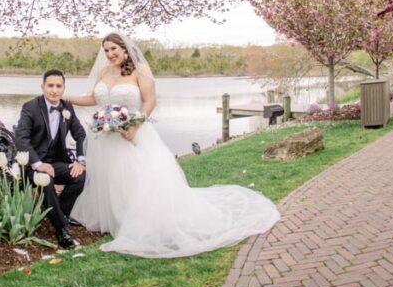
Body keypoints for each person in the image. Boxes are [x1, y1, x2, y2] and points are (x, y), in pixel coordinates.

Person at [68, 32, 280, 258]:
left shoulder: (140, 70)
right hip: (106, 138)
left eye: (114, 49)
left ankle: (139, 222)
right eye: (106, 50)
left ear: (125, 49)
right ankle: (114, 219)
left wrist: (134, 125)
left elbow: (150, 102)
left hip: (134, 134)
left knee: (138, 179)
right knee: (111, 179)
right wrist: (65, 98)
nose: (110, 54)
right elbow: (94, 99)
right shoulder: (104, 72)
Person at [14, 68, 87, 249]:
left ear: (63, 88)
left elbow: (80, 134)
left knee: (79, 177)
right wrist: (38, 164)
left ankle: (59, 215)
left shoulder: (66, 107)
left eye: (58, 86)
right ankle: (61, 229)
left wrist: (80, 161)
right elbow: (21, 139)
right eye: (50, 86)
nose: (54, 90)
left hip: (56, 161)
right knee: (46, 179)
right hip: (33, 164)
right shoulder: (30, 107)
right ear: (43, 86)